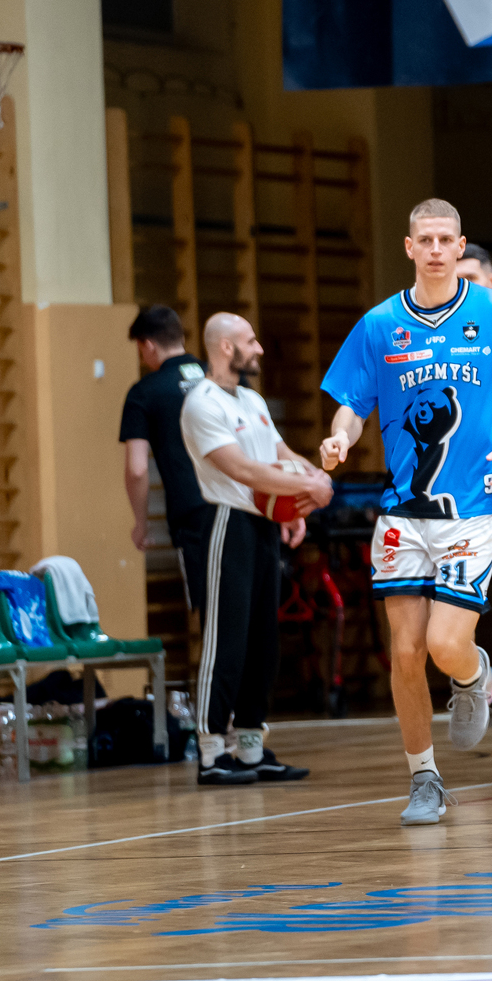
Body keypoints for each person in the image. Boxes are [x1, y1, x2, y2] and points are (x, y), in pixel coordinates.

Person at [319, 198, 492, 827]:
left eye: (447, 239)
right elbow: (351, 401)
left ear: (460, 244)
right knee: (406, 650)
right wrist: (340, 436)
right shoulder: (379, 324)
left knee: (447, 644)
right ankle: (424, 778)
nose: (438, 249)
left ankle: (473, 676)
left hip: (474, 503)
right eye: (426, 240)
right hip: (404, 507)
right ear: (410, 247)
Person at [179, 312, 333, 784]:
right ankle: (210, 751)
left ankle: (250, 747)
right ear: (226, 347)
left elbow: (279, 456)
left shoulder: (251, 398)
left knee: (264, 641)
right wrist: (310, 489)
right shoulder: (201, 403)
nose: (259, 348)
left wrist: (309, 485)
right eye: (250, 341)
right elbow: (243, 470)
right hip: (227, 522)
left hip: (264, 525)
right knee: (226, 639)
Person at [119, 305, 212, 612]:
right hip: (245, 509)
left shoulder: (145, 392)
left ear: (147, 345)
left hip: (194, 514)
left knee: (211, 613)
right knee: (252, 616)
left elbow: (137, 469)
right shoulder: (223, 378)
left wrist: (141, 524)